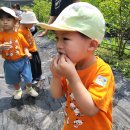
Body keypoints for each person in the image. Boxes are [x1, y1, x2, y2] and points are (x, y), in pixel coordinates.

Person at [38, 2, 115, 130]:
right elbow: (57, 95)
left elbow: (90, 109)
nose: (58, 45)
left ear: (91, 45)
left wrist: (72, 76)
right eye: (57, 38)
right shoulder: (71, 65)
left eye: (65, 39)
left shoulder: (103, 72)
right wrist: (56, 77)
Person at [0, 7, 38, 100]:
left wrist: (27, 53)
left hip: (23, 61)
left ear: (14, 21)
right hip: (9, 63)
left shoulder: (19, 35)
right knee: (14, 79)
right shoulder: (1, 35)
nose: (5, 22)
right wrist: (1, 47)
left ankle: (29, 88)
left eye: (8, 19)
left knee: (28, 77)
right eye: (2, 19)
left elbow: (25, 46)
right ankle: (18, 90)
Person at [18, 11, 43, 84]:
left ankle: (38, 75)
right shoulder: (20, 31)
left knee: (38, 63)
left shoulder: (27, 28)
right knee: (31, 66)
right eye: (32, 23)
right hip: (28, 51)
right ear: (26, 22)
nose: (33, 25)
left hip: (34, 49)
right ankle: (32, 78)